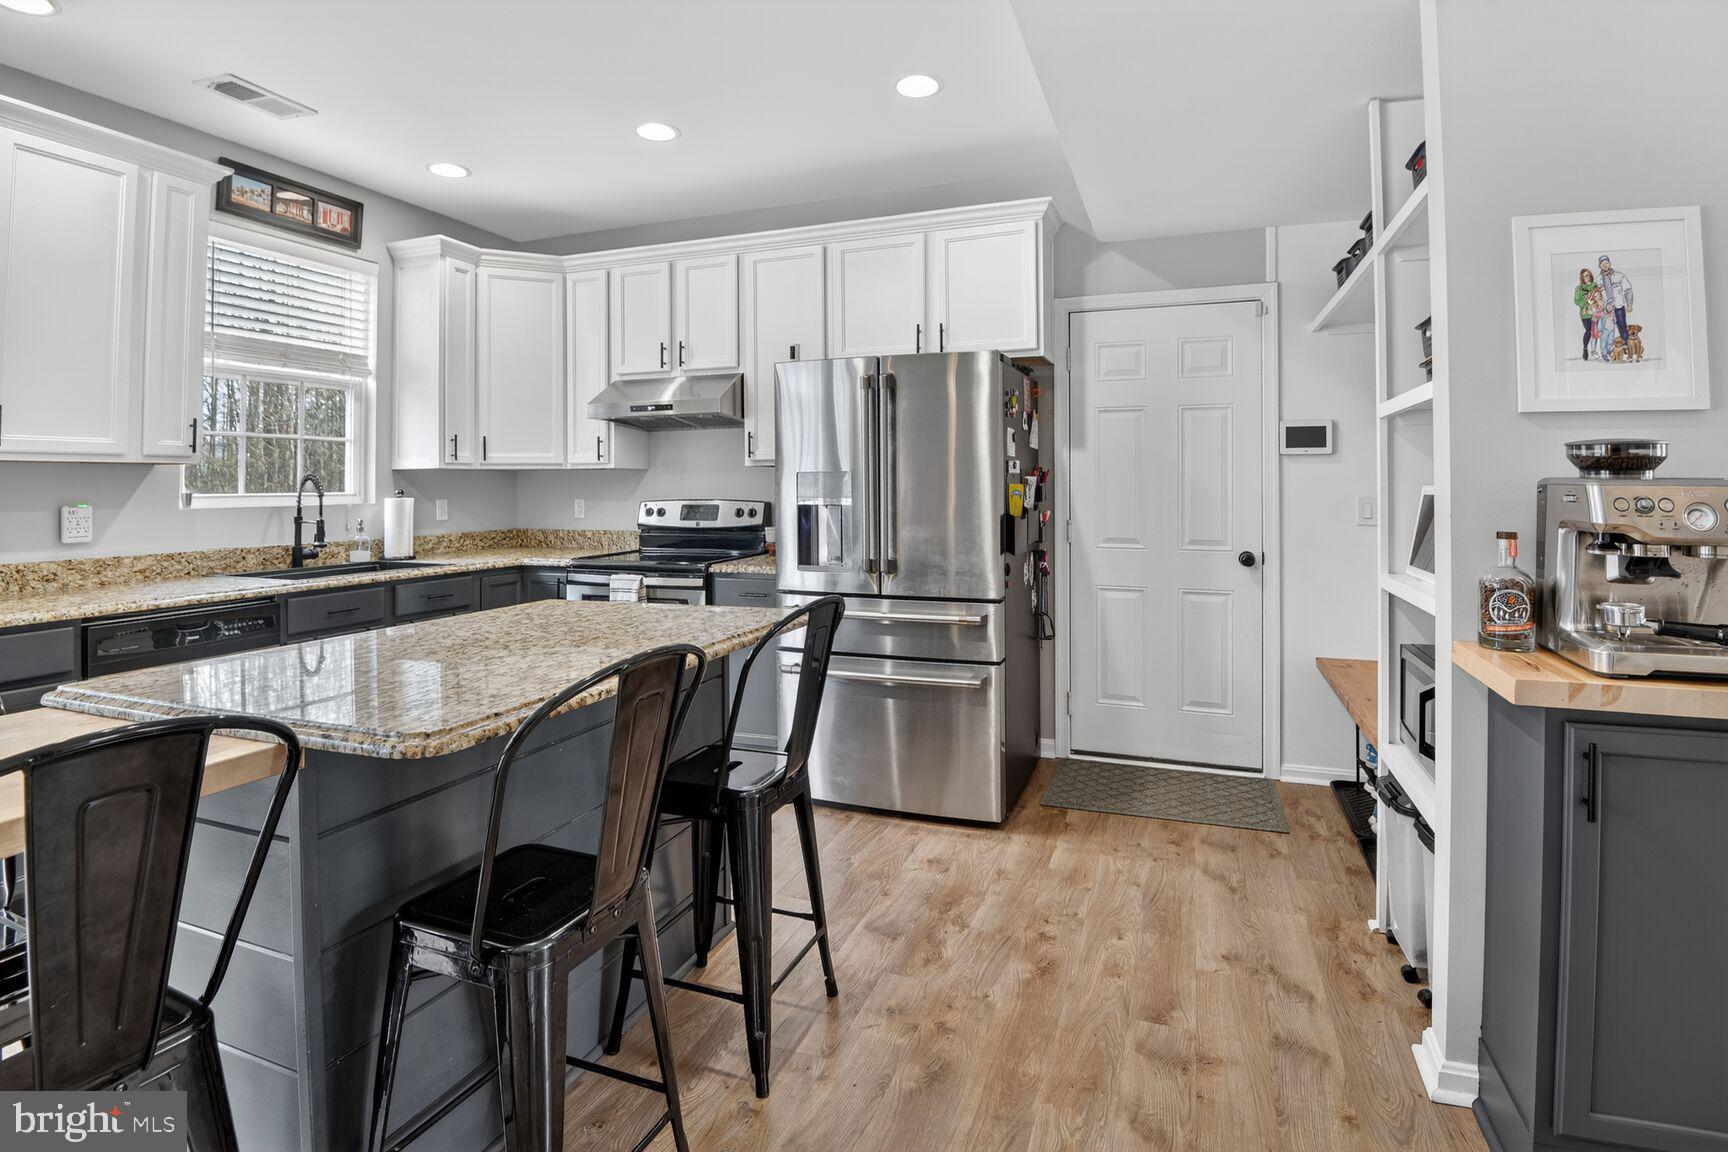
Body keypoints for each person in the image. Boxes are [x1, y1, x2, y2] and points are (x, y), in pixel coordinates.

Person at [1597, 255, 1633, 348]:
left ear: (1610, 263)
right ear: (1599, 266)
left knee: (1622, 325)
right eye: (1602, 264)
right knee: (1607, 329)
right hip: (1606, 309)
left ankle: (1626, 343)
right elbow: (1595, 295)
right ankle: (1608, 348)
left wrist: (1629, 305)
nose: (1605, 265)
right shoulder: (1598, 280)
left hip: (1618, 306)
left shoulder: (1619, 276)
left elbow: (1628, 290)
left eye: (1606, 263)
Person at [1573, 268, 1597, 360]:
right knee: (1588, 330)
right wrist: (1586, 302)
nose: (1587, 277)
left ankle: (1594, 350)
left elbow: (1600, 297)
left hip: (1595, 312)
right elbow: (1576, 300)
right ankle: (1585, 348)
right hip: (1585, 313)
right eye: (1585, 276)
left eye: (1588, 275)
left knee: (1595, 331)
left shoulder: (1595, 286)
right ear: (1582, 278)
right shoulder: (1579, 288)